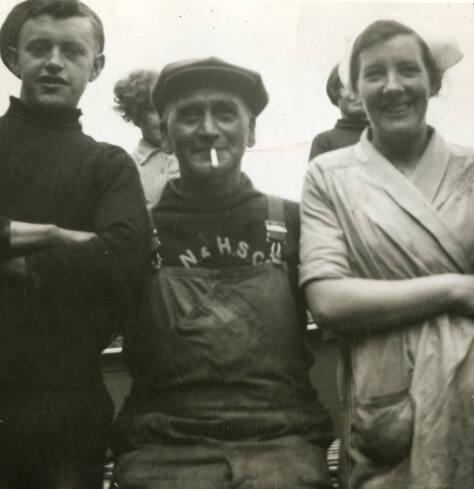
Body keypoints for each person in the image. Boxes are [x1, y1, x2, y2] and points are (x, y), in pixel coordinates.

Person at [0, 1, 150, 487]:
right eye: (40, 47)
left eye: (72, 50)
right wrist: (56, 237)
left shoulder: (109, 166)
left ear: (96, 65)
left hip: (62, 410)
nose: (55, 61)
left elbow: (121, 260)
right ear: (14, 57)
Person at [300, 20, 474, 489]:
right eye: (373, 74)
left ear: (434, 82)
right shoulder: (328, 176)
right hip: (386, 389)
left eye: (408, 70)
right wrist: (455, 288)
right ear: (355, 90)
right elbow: (326, 301)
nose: (392, 86)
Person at [111, 57, 334, 489]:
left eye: (226, 113)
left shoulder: (290, 221)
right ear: (166, 133)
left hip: (282, 447)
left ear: (251, 131)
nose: (209, 128)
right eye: (190, 115)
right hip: (162, 453)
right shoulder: (137, 231)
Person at [114, 69, 180, 208]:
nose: (163, 118)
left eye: (167, 109)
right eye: (153, 110)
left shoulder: (190, 159)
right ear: (137, 115)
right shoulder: (127, 166)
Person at [309, 64, 368, 160]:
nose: (356, 93)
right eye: (347, 86)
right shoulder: (325, 142)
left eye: (360, 86)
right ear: (334, 91)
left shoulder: (386, 138)